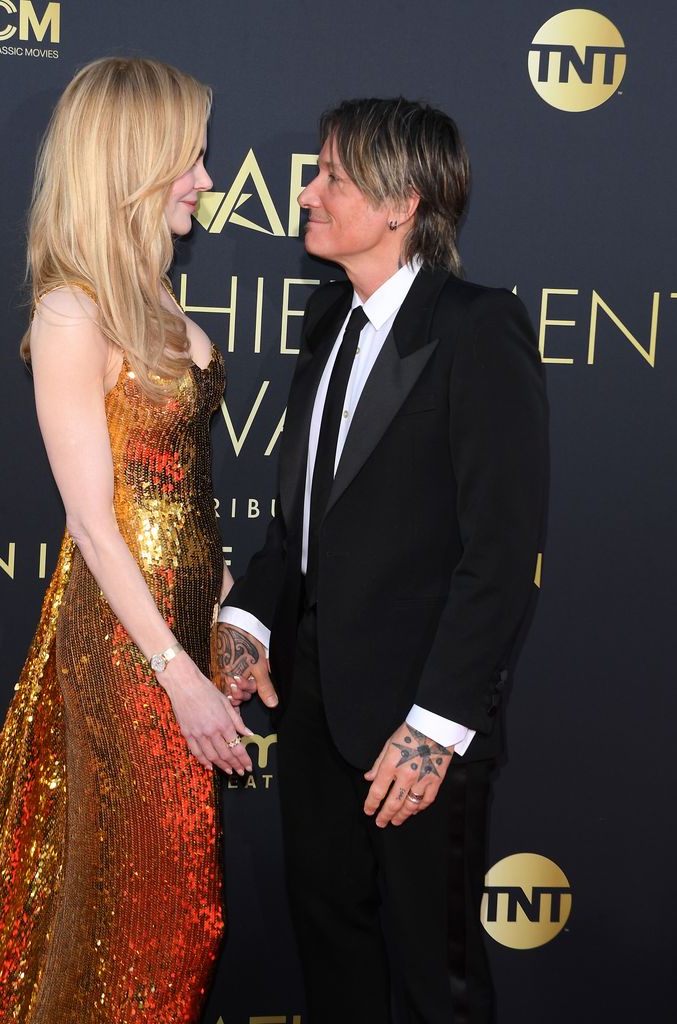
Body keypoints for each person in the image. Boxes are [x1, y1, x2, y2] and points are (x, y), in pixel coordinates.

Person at [0, 56, 251, 1024]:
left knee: (144, 911)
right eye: (192, 159)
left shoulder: (154, 300)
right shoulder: (74, 307)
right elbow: (92, 518)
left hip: (177, 629)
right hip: (129, 645)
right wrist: (178, 669)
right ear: (133, 164)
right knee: (171, 915)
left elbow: (181, 494)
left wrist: (225, 622)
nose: (209, 180)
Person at [217, 97, 548, 1024]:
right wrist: (249, 617)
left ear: (402, 203)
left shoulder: (476, 329)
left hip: (416, 720)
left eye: (332, 176)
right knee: (332, 951)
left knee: (434, 979)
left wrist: (434, 727)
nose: (308, 194)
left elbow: (500, 553)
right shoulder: (328, 318)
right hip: (315, 704)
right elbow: (303, 521)